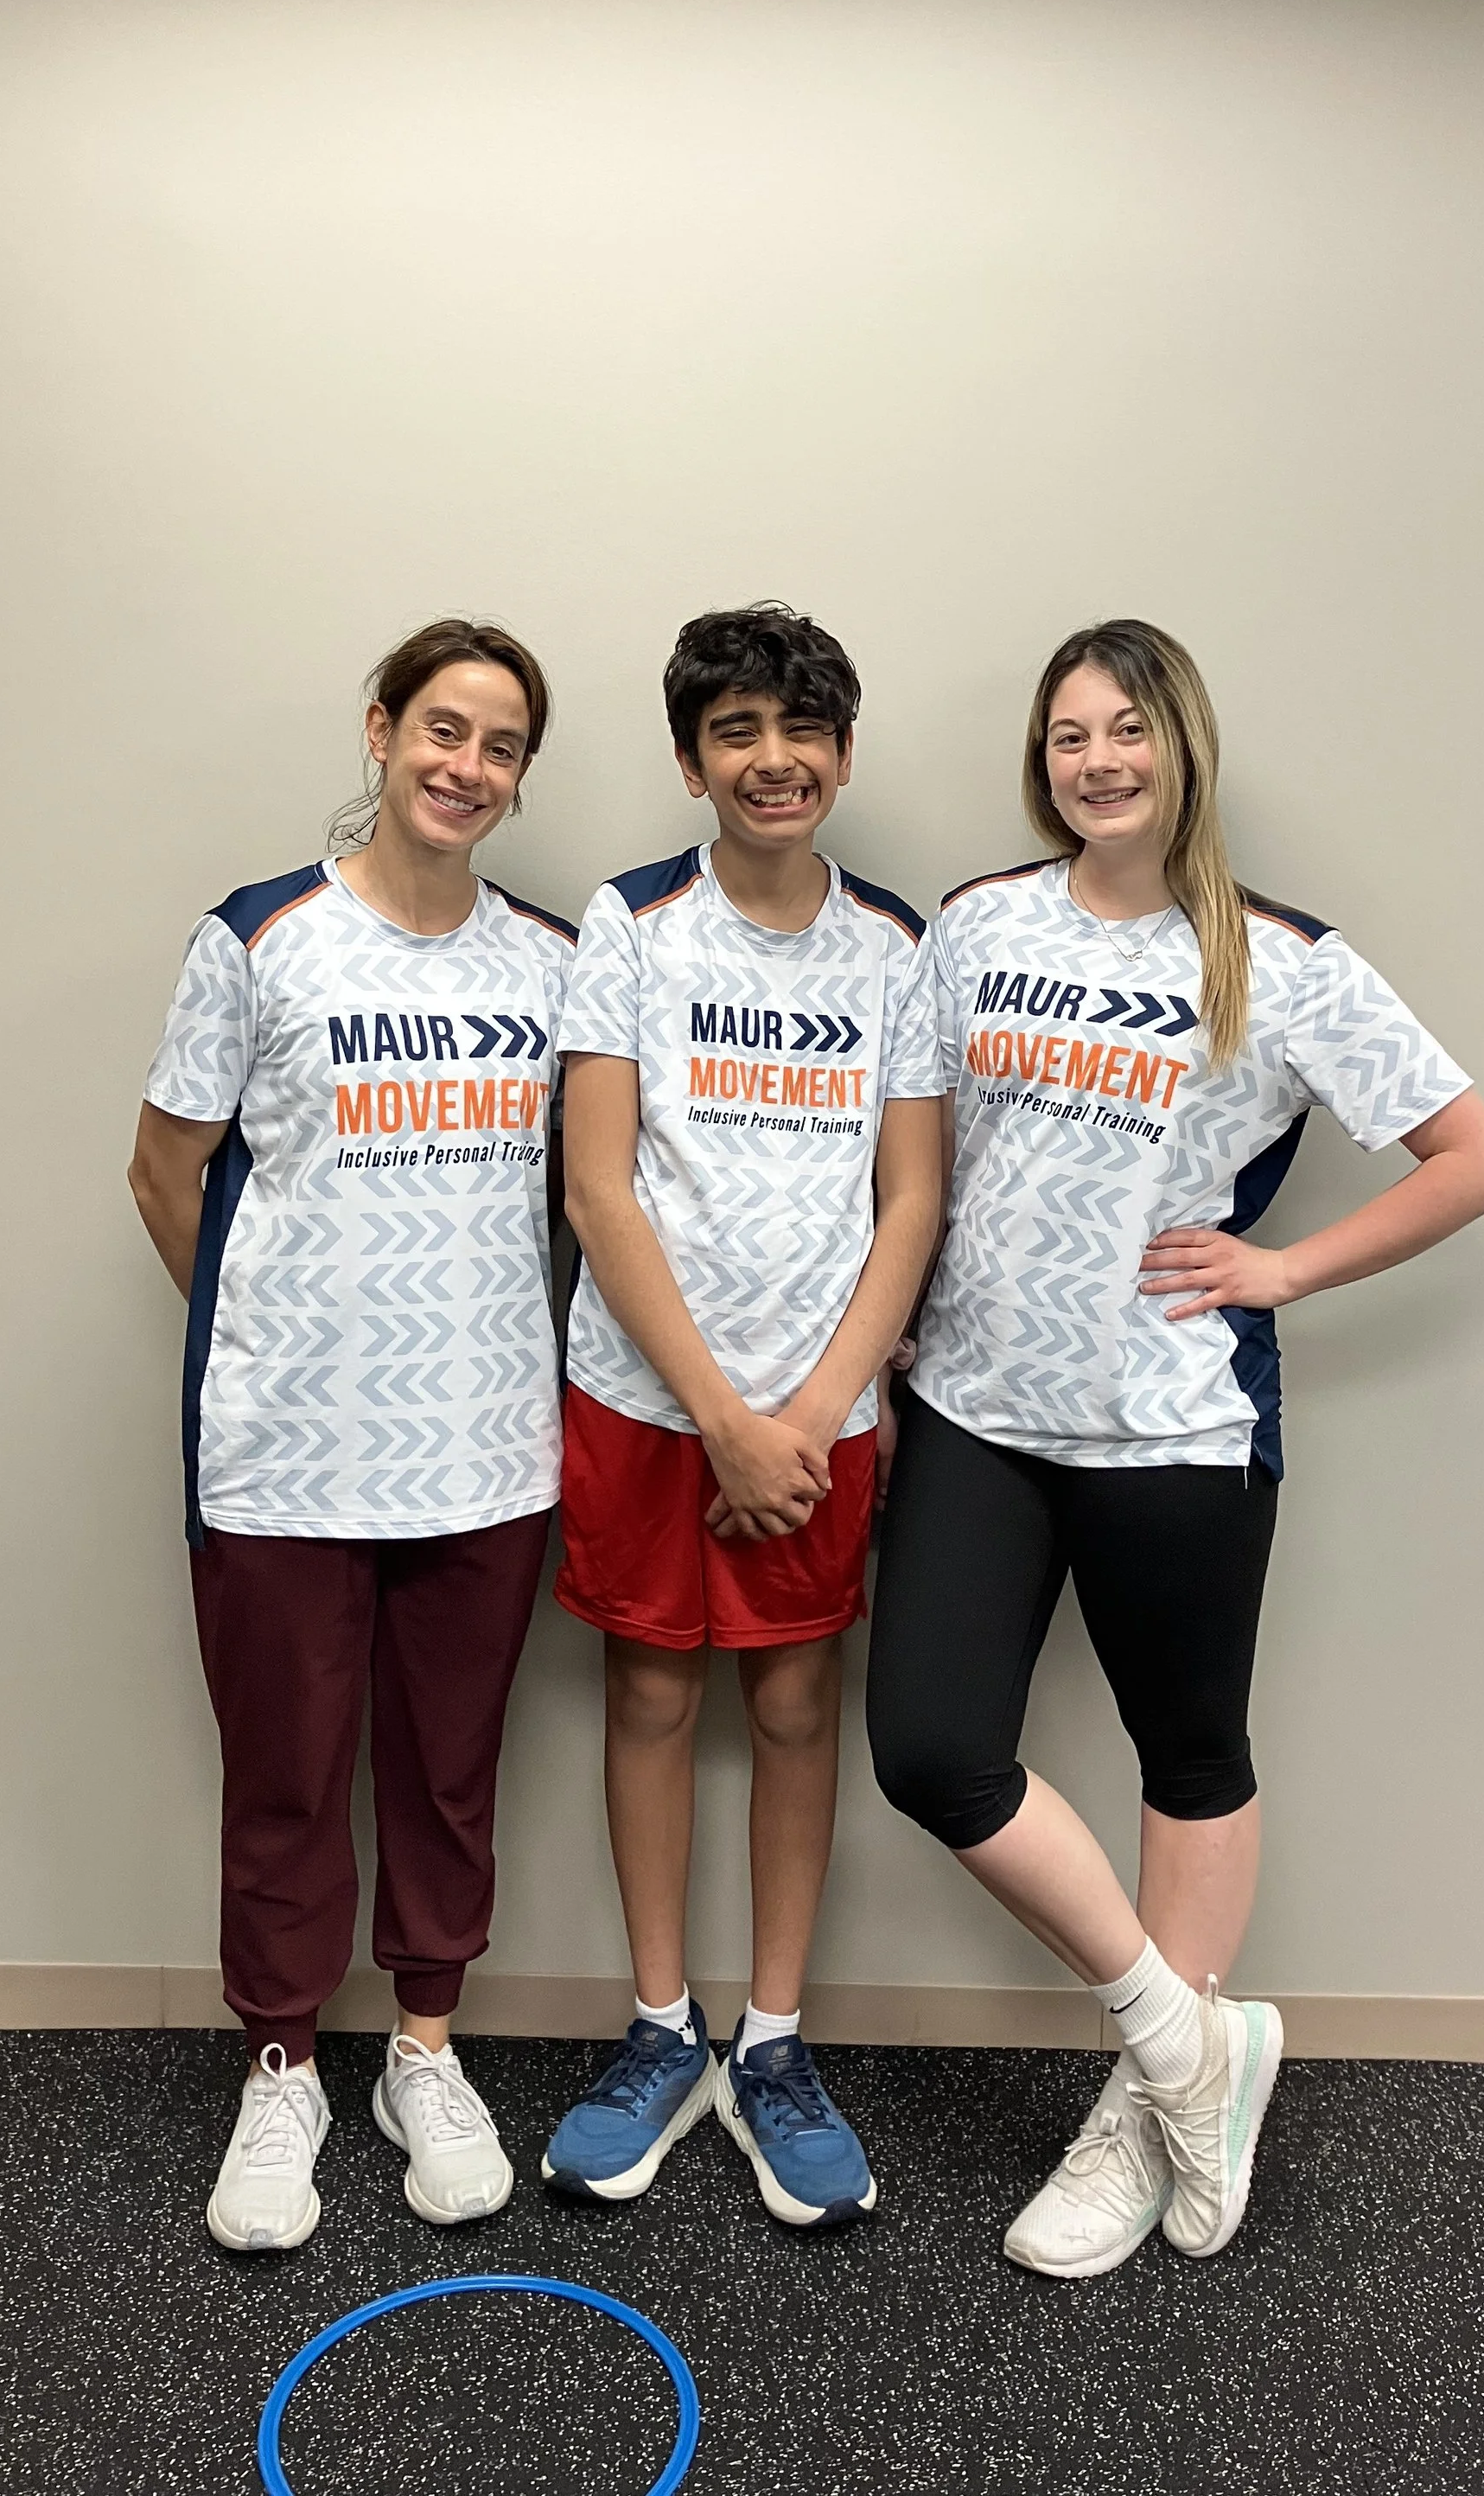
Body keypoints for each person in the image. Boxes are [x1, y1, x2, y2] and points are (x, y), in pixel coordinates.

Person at [865, 617, 1484, 2279]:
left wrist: (1288, 1266)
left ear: (1181, 749)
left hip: (1174, 1424)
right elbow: (922, 1177)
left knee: (1190, 1754)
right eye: (1069, 736)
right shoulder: (976, 924)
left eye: (1126, 733)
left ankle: (1139, 2113)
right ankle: (1186, 2050)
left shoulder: (1281, 956)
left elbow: (1475, 1157)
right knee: (933, 1747)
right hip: (976, 1412)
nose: (1097, 762)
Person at [128, 616, 576, 2253]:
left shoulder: (550, 959)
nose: (467, 767)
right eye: (443, 730)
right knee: (289, 1776)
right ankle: (282, 2067)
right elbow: (164, 1169)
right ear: (382, 731)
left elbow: (589, 1192)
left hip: (487, 1444)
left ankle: (425, 2054)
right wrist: (273, 1329)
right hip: (283, 1449)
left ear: (521, 781)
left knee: (451, 1775)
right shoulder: (260, 940)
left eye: (502, 748)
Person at [542, 604, 945, 2229]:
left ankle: (771, 2046)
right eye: (735, 733)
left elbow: (911, 1200)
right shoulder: (630, 920)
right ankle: (660, 2030)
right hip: (654, 1400)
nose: (771, 762)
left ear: (842, 752)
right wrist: (719, 1416)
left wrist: (819, 1409)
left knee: (793, 1714)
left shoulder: (898, 947)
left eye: (801, 732)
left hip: (820, 1415)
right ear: (694, 757)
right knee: (649, 1700)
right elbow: (598, 1182)